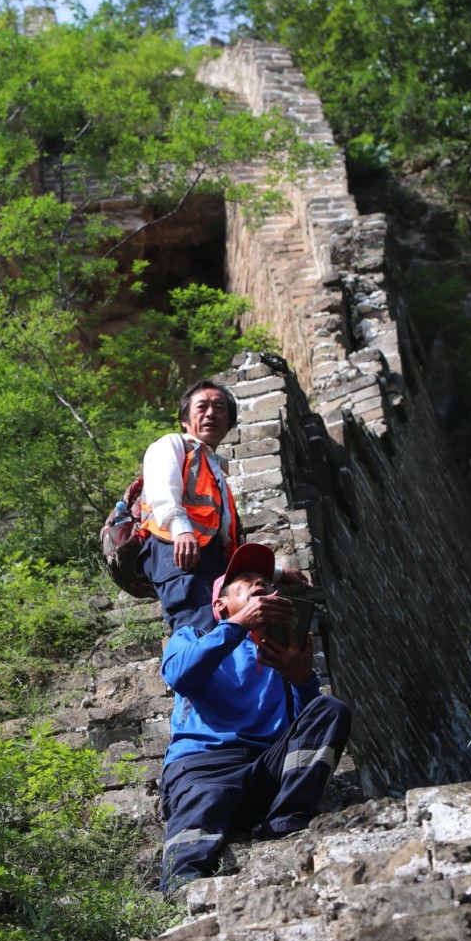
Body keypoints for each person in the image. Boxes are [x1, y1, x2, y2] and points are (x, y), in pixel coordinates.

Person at [158, 542, 352, 898]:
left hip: (266, 770)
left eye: (264, 581)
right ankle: (180, 894)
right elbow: (179, 675)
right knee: (205, 800)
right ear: (221, 605)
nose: (259, 583)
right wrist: (236, 627)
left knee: (330, 709)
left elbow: (304, 725)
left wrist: (301, 678)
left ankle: (285, 823)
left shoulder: (277, 650)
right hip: (206, 766)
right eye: (245, 581)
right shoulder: (193, 637)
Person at [139, 379, 306, 633]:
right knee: (198, 626)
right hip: (178, 550)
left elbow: (227, 546)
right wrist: (181, 529)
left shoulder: (217, 472)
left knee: (225, 633)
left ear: (228, 424)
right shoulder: (172, 444)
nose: (210, 413)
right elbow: (162, 489)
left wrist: (277, 573)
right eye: (202, 407)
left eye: (219, 408)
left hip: (210, 560)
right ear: (185, 420)